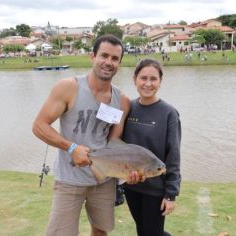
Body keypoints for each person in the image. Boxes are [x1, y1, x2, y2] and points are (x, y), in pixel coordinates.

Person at [32, 34, 140, 236]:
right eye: (104, 55)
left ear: (120, 63)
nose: (109, 62)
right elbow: (39, 126)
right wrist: (70, 147)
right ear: (93, 57)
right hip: (69, 179)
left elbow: (114, 144)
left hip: (103, 181)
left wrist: (129, 171)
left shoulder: (122, 101)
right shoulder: (68, 87)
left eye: (115, 58)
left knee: (100, 231)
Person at [122, 58, 181, 236]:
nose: (148, 84)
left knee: (152, 232)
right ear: (135, 79)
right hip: (131, 186)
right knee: (143, 230)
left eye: (153, 79)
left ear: (160, 82)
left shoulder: (169, 113)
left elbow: (173, 156)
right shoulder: (127, 107)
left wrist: (171, 193)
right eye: (143, 78)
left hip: (155, 189)